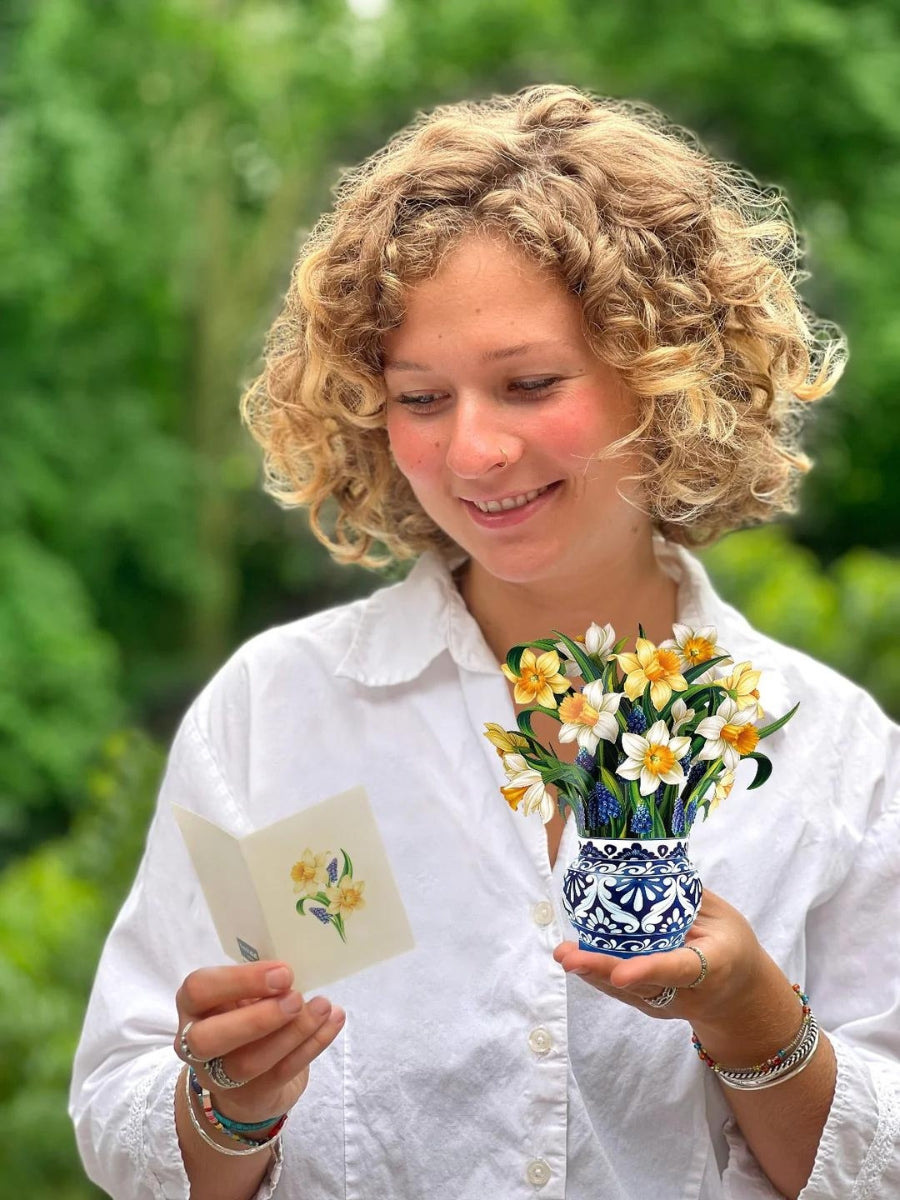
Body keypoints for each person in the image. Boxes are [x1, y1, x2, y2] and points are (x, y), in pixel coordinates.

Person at [69, 85, 900, 1200]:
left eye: (529, 384)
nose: (473, 452)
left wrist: (756, 1023)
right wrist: (225, 1102)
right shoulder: (275, 712)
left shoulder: (835, 754)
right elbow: (121, 1117)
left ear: (664, 376)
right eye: (420, 397)